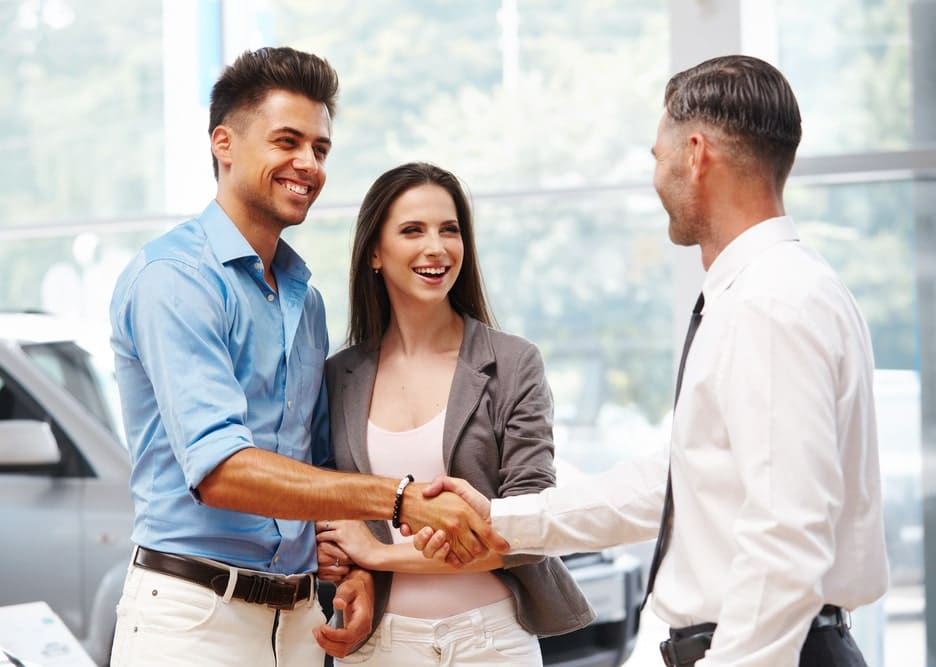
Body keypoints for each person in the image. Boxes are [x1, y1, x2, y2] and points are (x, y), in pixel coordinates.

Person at [414, 55, 889, 667]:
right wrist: (502, 516)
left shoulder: (771, 303)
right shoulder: (772, 291)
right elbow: (678, 483)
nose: (657, 177)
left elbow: (788, 532)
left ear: (695, 153)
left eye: (657, 157)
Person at [108, 47, 505, 667]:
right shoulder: (175, 279)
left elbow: (310, 465)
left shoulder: (304, 299)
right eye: (287, 141)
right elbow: (223, 471)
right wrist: (400, 500)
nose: (307, 164)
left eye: (320, 149)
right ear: (224, 144)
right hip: (195, 616)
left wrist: (351, 570)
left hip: (298, 619)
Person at [312, 162, 594, 665]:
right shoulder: (338, 377)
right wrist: (353, 570)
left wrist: (377, 555)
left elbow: (532, 530)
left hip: (492, 641)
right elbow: (336, 516)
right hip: (379, 645)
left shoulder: (513, 363)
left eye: (450, 230)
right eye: (412, 230)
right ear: (375, 253)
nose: (437, 248)